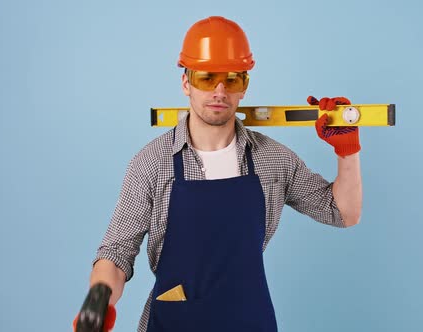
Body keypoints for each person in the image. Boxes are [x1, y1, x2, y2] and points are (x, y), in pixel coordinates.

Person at [74, 15, 362, 332]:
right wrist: (100, 296)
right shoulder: (153, 162)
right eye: (207, 78)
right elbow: (116, 253)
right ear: (186, 83)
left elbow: (344, 213)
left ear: (245, 87)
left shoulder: (272, 159)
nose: (219, 91)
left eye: (232, 79)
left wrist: (347, 152)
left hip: (248, 322)